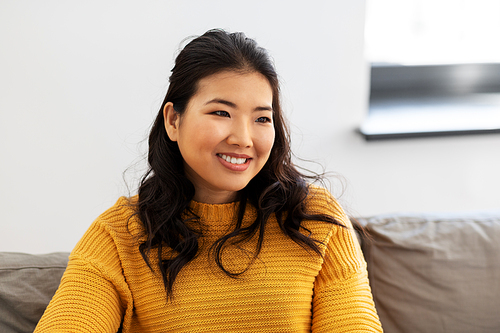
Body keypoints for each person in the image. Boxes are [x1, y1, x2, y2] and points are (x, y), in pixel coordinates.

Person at [35, 29, 383, 332]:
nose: (244, 138)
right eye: (221, 113)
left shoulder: (315, 218)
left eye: (262, 118)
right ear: (173, 120)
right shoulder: (118, 236)